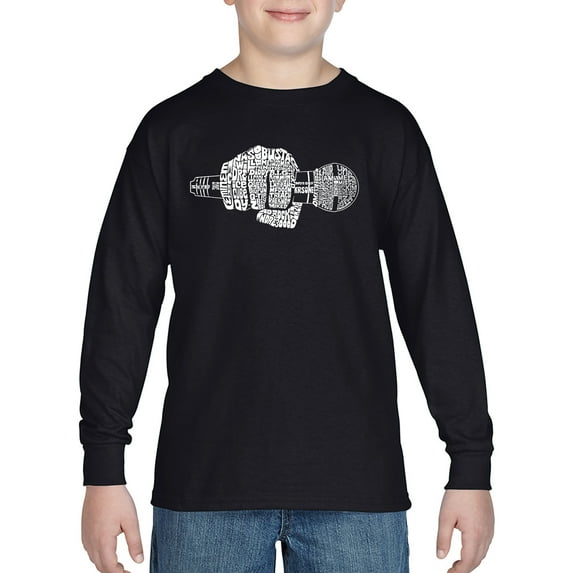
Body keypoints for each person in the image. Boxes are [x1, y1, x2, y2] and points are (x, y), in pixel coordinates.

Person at [79, 1, 495, 572]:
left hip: (357, 490)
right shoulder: (171, 131)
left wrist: (470, 465)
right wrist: (103, 470)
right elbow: (121, 304)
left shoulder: (385, 130)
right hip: (204, 487)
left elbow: (436, 301)